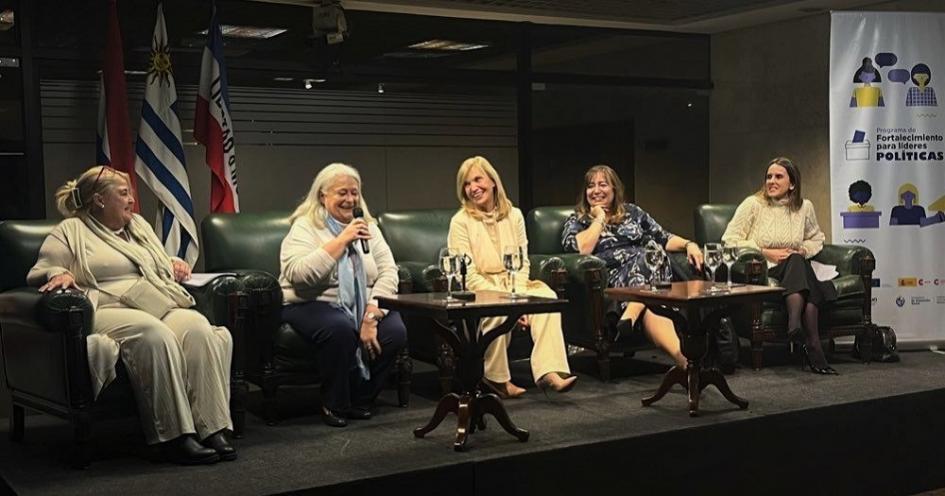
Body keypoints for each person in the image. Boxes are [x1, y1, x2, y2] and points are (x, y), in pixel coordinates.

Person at [28, 166, 235, 465]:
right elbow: (43, 268)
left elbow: (156, 261)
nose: (132, 199)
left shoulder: (138, 226)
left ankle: (212, 428)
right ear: (99, 200)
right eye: (123, 193)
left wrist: (172, 263)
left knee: (197, 327)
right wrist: (58, 272)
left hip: (153, 300)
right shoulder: (71, 230)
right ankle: (173, 436)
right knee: (154, 334)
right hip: (108, 307)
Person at [279, 163, 406, 427]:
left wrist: (372, 315)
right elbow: (299, 275)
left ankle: (361, 399)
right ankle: (334, 402)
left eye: (354, 193)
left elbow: (389, 272)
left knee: (395, 332)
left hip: (365, 303)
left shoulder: (368, 227)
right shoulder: (305, 227)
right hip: (311, 301)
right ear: (323, 196)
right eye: (342, 193)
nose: (350, 200)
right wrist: (341, 240)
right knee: (340, 328)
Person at [447, 156, 576, 398]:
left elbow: (521, 262)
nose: (473, 187)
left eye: (477, 179)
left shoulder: (514, 215)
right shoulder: (460, 222)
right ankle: (496, 379)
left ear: (493, 181)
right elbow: (469, 275)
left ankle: (549, 371)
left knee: (546, 298)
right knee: (497, 309)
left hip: (516, 284)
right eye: (466, 184)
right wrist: (509, 301)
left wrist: (519, 298)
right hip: (481, 289)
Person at [561, 165, 703, 370]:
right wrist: (599, 218)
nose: (596, 190)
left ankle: (684, 362)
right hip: (611, 279)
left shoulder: (633, 213)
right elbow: (582, 249)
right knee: (651, 258)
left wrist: (690, 244)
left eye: (603, 184)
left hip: (647, 275)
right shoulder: (578, 220)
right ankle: (633, 310)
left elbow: (663, 237)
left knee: (653, 294)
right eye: (591, 186)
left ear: (614, 189)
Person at [722, 157, 838, 375]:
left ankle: (797, 327)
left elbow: (816, 238)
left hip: (796, 266)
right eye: (768, 176)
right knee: (808, 279)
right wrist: (763, 251)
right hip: (766, 268)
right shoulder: (753, 204)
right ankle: (810, 340)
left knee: (797, 260)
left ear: (792, 183)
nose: (771, 181)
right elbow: (729, 239)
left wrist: (803, 250)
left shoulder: (804, 207)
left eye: (778, 176)